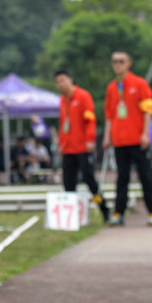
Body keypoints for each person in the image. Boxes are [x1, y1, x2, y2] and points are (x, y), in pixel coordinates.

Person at [103, 52, 152, 226]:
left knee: (146, 177)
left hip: (137, 140)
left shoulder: (139, 84)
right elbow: (109, 115)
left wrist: (145, 133)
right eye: (114, 62)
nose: (118, 64)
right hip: (119, 140)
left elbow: (148, 110)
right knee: (122, 178)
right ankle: (119, 213)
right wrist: (107, 137)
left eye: (121, 61)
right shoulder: (112, 88)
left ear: (129, 63)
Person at [54, 69, 110, 222]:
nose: (61, 84)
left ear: (70, 80)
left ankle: (104, 209)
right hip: (68, 148)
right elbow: (62, 125)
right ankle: (70, 218)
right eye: (58, 82)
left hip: (83, 148)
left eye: (63, 80)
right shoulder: (62, 101)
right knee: (68, 182)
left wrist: (90, 139)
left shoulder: (83, 96)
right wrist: (61, 144)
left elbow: (90, 120)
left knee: (89, 180)